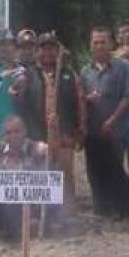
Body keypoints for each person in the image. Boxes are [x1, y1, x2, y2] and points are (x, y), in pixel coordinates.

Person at [78, 27, 129, 219]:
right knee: (95, 171)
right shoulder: (85, 71)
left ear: (111, 44)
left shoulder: (123, 66)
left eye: (103, 42)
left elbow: (128, 97)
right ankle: (100, 209)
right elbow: (80, 100)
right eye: (95, 42)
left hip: (116, 130)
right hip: (93, 132)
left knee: (116, 170)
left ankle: (120, 210)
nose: (99, 46)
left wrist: (112, 121)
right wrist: (87, 98)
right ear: (90, 45)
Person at [21, 32, 82, 215]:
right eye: (43, 48)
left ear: (57, 51)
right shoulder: (28, 74)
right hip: (36, 133)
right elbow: (21, 103)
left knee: (64, 173)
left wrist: (74, 131)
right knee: (39, 172)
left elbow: (77, 104)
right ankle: (39, 212)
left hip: (62, 134)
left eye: (51, 48)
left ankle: (67, 212)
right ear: (37, 51)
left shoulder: (68, 75)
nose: (47, 52)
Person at [0, 115, 51, 239]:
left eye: (17, 132)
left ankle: (19, 230)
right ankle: (16, 231)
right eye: (9, 133)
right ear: (4, 135)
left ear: (25, 132)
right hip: (2, 204)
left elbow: (52, 154)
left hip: (29, 203)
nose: (13, 136)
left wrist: (54, 133)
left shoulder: (35, 147)